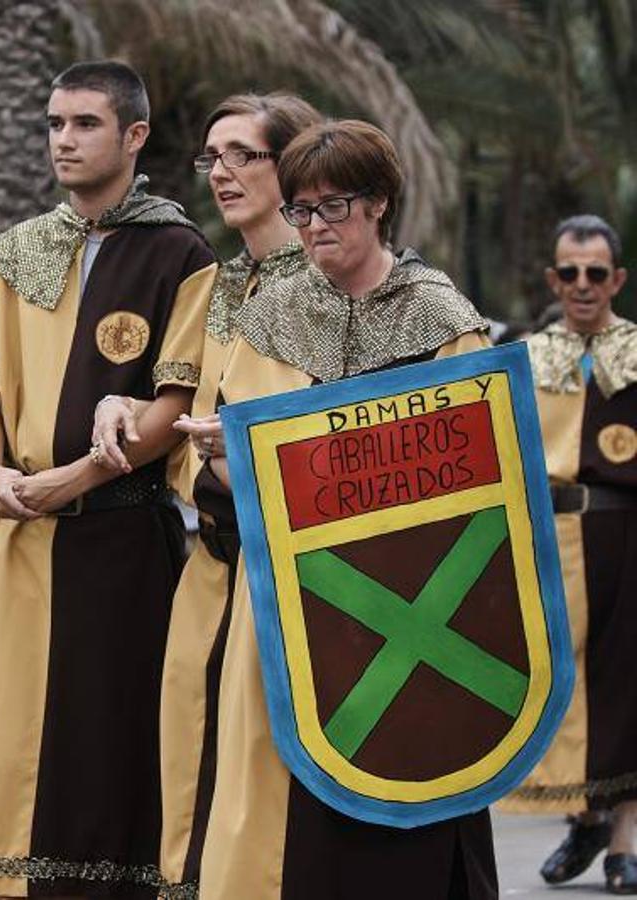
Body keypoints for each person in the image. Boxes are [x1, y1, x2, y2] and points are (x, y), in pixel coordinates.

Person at [176, 119, 492, 900]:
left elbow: (477, 482)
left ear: (379, 203)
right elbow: (211, 469)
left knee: (405, 785)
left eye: (332, 207)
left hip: (411, 608)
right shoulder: (272, 316)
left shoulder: (440, 318)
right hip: (285, 598)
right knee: (279, 811)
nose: (314, 227)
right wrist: (221, 452)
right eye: (300, 210)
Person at [0, 61, 216, 899]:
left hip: (120, 538)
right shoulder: (16, 250)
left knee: (105, 740)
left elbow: (173, 401)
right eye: (54, 124)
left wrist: (69, 480)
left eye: (84, 124)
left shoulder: (180, 250)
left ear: (133, 136)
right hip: (21, 535)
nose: (64, 139)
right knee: (13, 733)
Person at [88, 92, 322, 893]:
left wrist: (254, 456)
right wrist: (119, 405)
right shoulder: (213, 283)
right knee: (192, 758)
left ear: (292, 165)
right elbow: (176, 412)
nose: (219, 173)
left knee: (268, 785)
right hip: (209, 564)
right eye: (210, 157)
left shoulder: (333, 287)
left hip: (294, 579)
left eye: (240, 156)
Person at [503, 214, 637, 894]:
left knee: (626, 679)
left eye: (594, 273)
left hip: (625, 535)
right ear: (553, 278)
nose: (580, 285)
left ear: (615, 279)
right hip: (549, 539)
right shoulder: (526, 357)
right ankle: (582, 815)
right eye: (568, 272)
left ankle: (622, 839)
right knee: (561, 679)